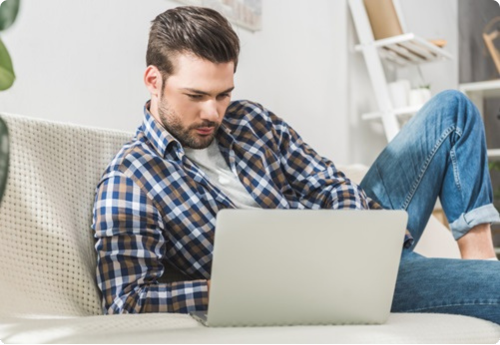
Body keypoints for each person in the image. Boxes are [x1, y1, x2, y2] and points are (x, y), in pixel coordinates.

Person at [92, 6, 500, 323]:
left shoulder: (248, 120)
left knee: (453, 110)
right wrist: (228, 289)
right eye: (196, 96)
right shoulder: (131, 181)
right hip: (323, 288)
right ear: (153, 80)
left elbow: (324, 180)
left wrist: (362, 231)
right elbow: (127, 300)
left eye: (223, 95)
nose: (213, 113)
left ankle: (478, 261)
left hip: (355, 240)